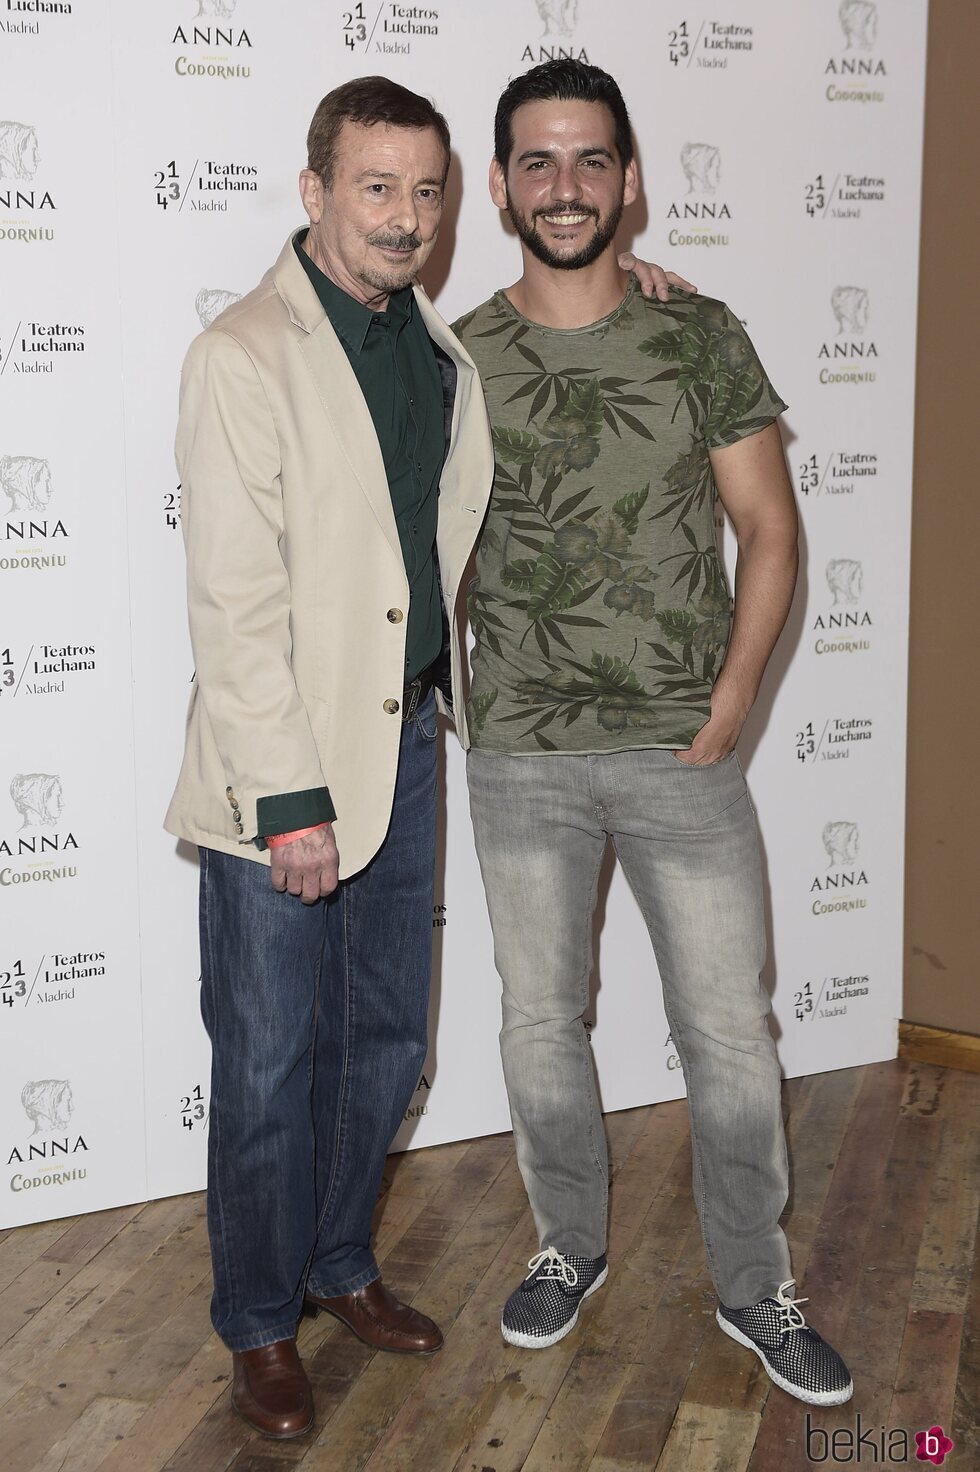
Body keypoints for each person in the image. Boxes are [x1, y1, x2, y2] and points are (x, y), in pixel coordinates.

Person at [165, 75, 677, 1440]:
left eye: (427, 190)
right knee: (273, 1061)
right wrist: (288, 805)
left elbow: (565, 347)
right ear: (317, 191)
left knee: (384, 1044)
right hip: (282, 780)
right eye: (376, 187)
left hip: (404, 748)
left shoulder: (442, 351)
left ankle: (336, 1266)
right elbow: (234, 602)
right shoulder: (242, 355)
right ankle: (261, 1322)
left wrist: (645, 286)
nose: (404, 216)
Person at [453, 59, 854, 1409]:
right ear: (502, 183)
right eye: (537, 161)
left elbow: (773, 532)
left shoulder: (699, 331)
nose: (563, 186)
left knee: (729, 1032)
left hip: (684, 749)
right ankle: (569, 1245)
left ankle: (756, 1282)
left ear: (628, 179)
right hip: (521, 752)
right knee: (538, 1022)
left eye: (589, 161)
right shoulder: (456, 355)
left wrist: (736, 699)